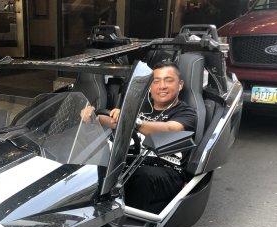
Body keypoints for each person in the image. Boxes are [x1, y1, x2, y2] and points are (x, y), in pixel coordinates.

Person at [81, 61, 197, 213]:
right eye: (156, 81)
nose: (162, 86)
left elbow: (170, 128)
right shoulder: (140, 108)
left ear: (180, 85)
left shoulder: (186, 112)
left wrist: (133, 120)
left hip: (166, 170)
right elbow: (113, 121)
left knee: (141, 176)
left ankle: (123, 219)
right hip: (129, 162)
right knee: (93, 168)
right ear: (150, 86)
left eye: (168, 80)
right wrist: (93, 117)